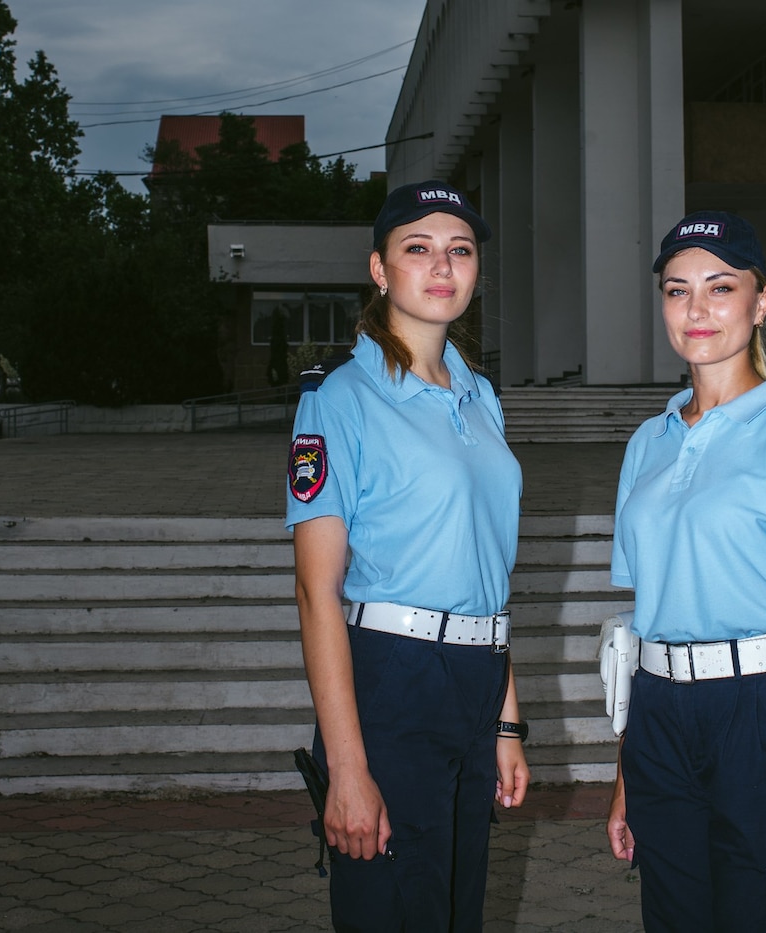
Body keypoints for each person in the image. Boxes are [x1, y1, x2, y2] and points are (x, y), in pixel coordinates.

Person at [605, 210, 766, 932]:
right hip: (659, 717)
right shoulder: (647, 442)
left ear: (761, 302)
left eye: (720, 288)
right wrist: (628, 770)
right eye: (677, 290)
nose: (696, 309)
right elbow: (644, 620)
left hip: (764, 710)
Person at [286, 180, 529, 933]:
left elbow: (487, 567)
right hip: (394, 677)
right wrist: (347, 768)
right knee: (392, 909)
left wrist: (506, 721)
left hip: (477, 678)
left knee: (455, 912)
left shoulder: (480, 396)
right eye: (418, 248)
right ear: (380, 269)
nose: (442, 266)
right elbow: (316, 593)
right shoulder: (340, 398)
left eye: (460, 250)